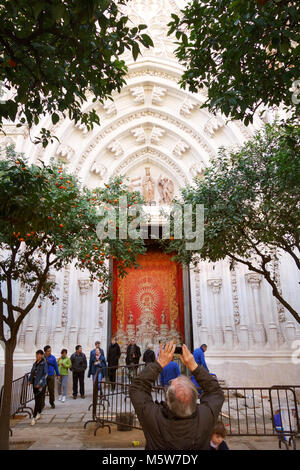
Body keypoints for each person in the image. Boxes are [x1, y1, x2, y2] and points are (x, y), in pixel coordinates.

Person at [129, 341, 224, 450]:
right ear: (195, 399)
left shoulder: (153, 418)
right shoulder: (205, 417)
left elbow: (137, 387)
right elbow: (216, 392)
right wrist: (194, 366)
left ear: (167, 399)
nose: (176, 379)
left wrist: (159, 363)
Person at [28, 350, 48, 426]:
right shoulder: (35, 363)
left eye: (39, 355)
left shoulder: (44, 363)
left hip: (40, 385)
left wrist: (40, 383)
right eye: (36, 355)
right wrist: (29, 380)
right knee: (37, 399)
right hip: (34, 384)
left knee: (37, 400)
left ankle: (33, 417)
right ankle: (39, 413)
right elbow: (32, 372)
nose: (37, 356)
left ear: (42, 355)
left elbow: (45, 374)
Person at [41, 345, 60, 409]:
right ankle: (42, 404)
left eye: (50, 351)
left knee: (51, 390)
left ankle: (52, 402)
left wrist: (58, 374)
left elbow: (56, 367)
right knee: (42, 391)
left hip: (51, 376)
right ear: (45, 352)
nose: (49, 352)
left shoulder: (53, 358)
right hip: (44, 376)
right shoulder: (41, 358)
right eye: (48, 351)